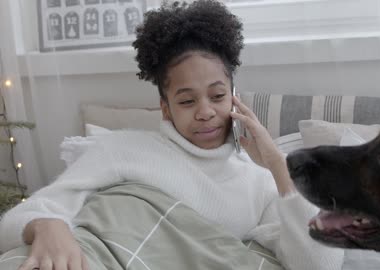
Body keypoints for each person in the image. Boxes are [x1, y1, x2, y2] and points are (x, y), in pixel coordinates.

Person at [0, 1, 346, 269]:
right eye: (186, 100)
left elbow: (319, 263)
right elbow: (18, 220)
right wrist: (45, 226)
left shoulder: (261, 182)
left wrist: (275, 163)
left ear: (234, 94)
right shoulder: (122, 150)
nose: (205, 111)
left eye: (218, 95)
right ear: (165, 107)